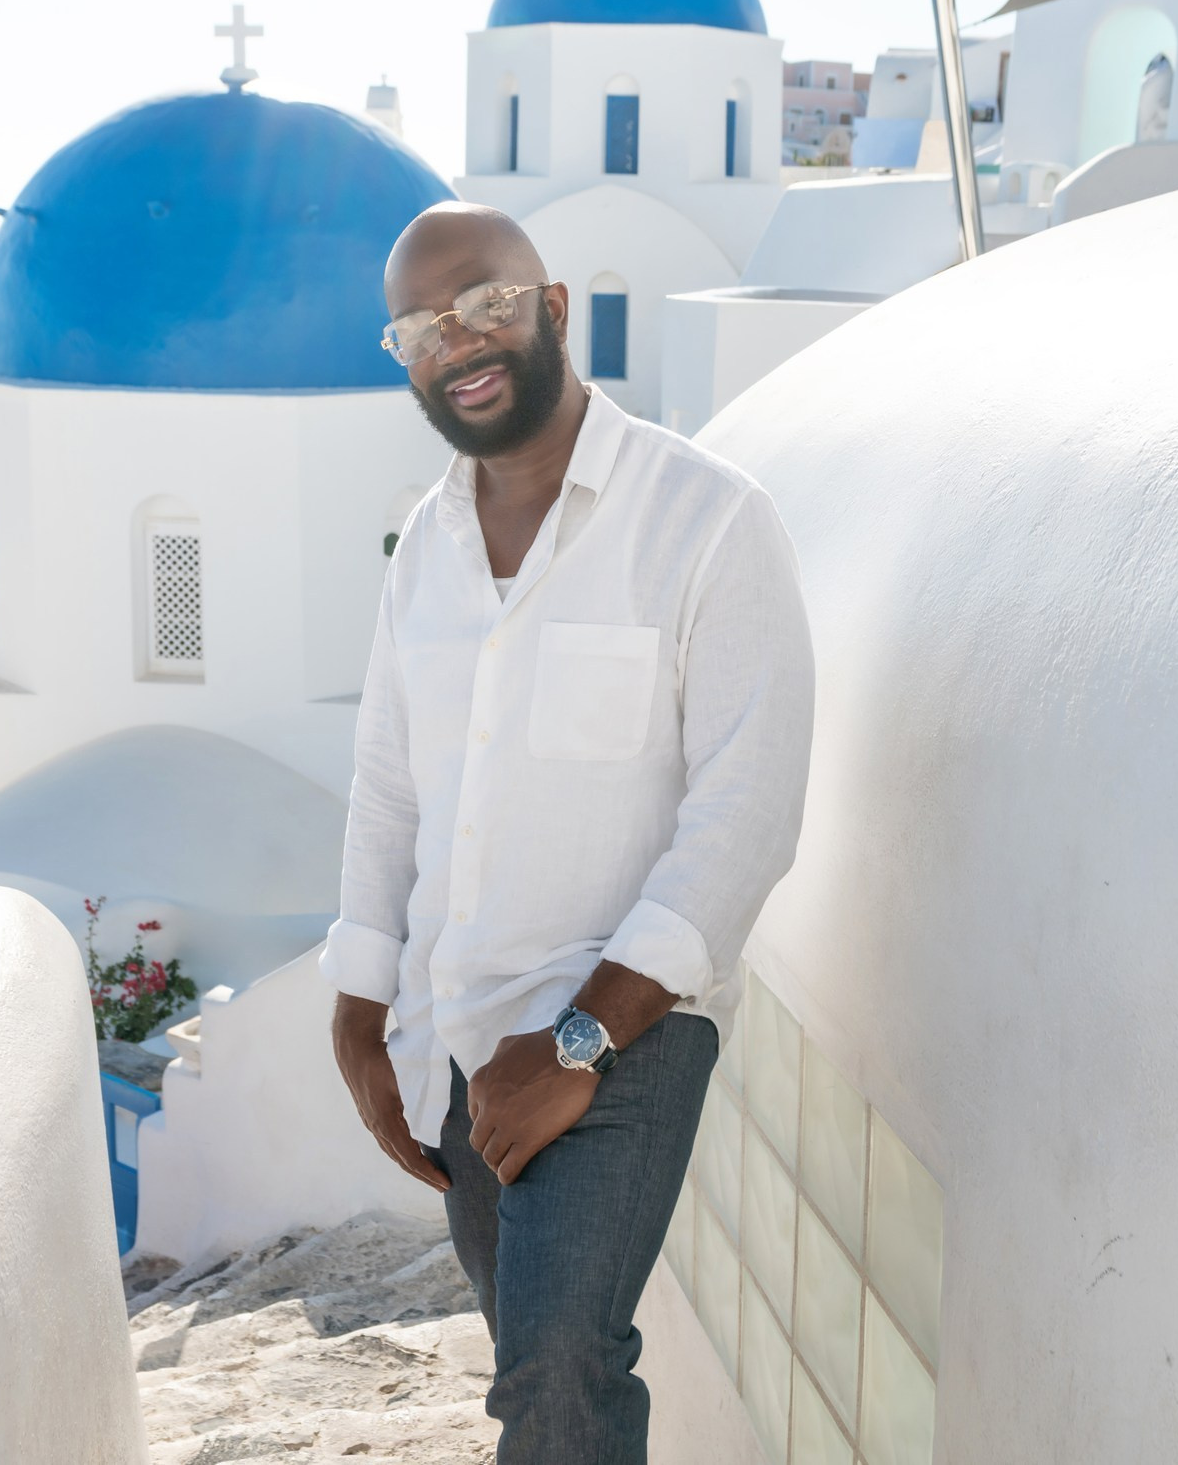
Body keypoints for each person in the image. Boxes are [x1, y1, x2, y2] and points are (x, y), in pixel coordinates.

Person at [321, 202, 814, 1462]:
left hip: (623, 1026)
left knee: (559, 1365)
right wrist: (360, 1005)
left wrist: (580, 1038)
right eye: (421, 327)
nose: (459, 342)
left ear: (550, 307)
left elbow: (745, 815)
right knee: (533, 1358)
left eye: (484, 302)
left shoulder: (706, 518)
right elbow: (390, 783)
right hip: (458, 1039)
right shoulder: (423, 546)